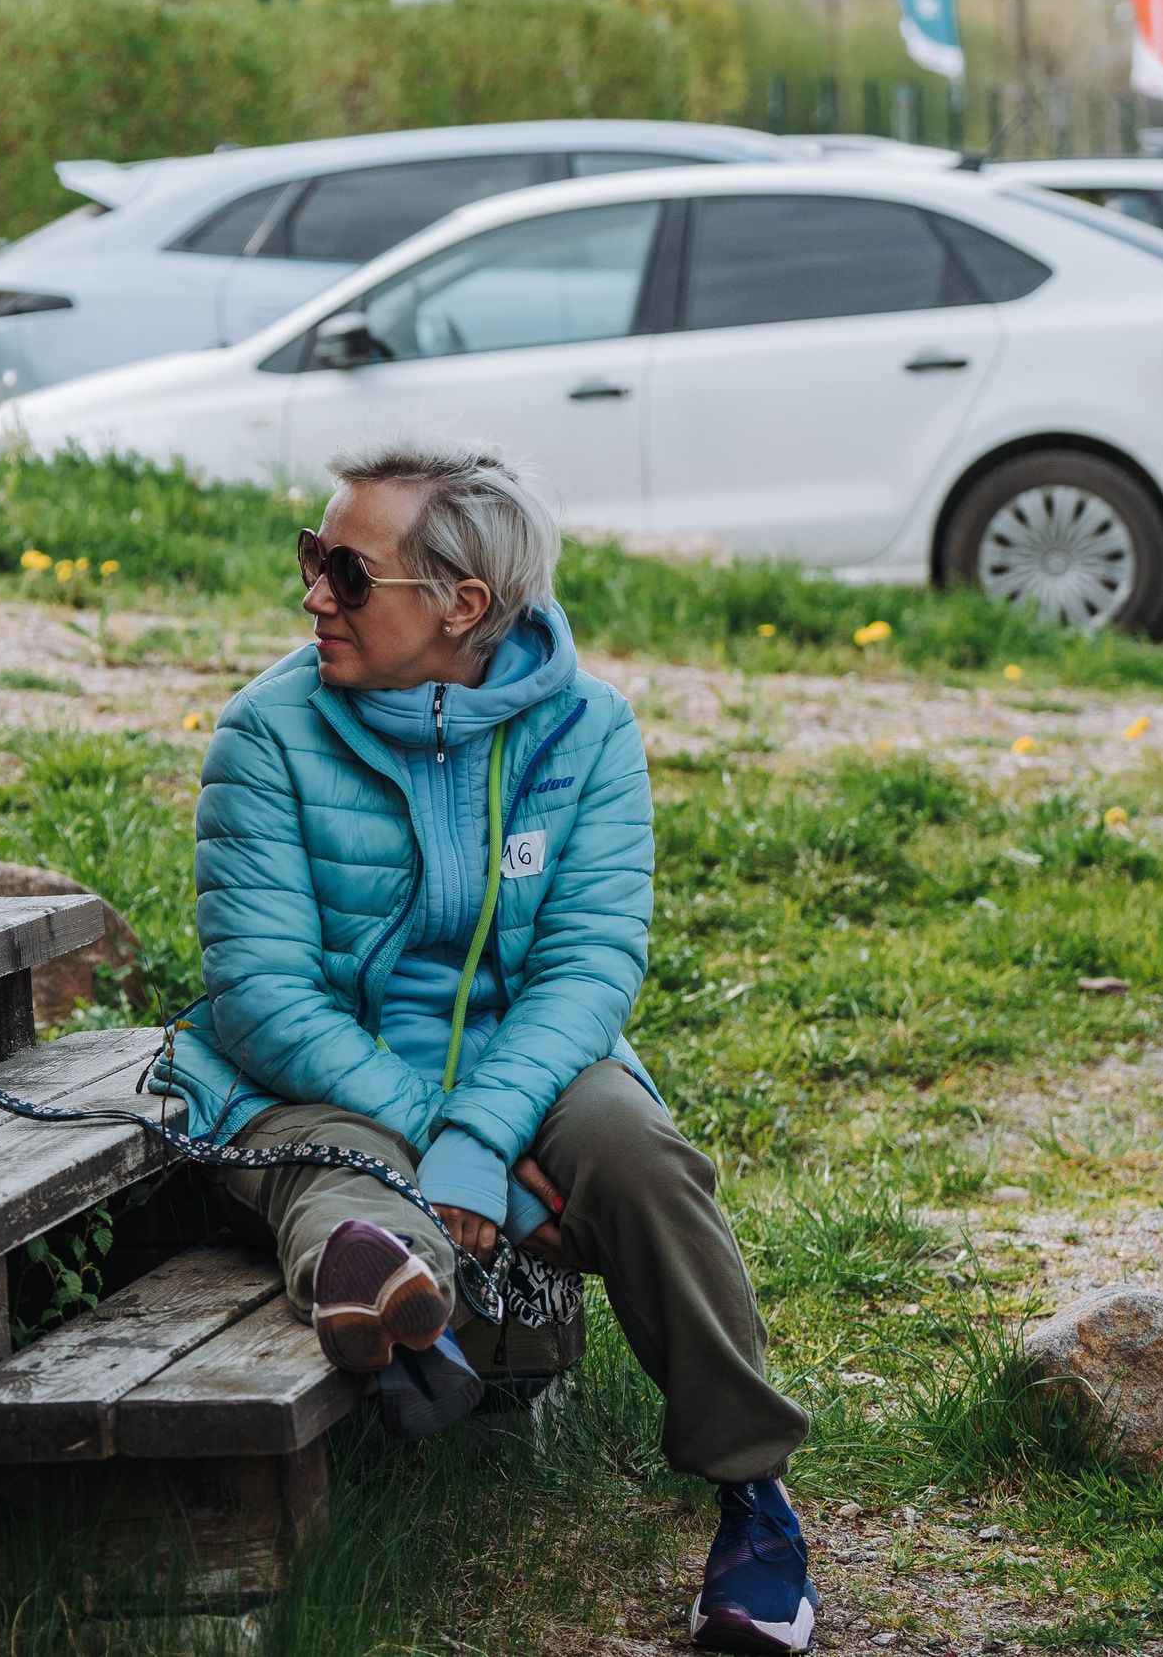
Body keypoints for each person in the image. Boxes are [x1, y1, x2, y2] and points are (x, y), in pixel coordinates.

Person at [150, 435, 819, 1656]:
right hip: (309, 1074)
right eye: (311, 558)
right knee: (336, 1167)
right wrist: (451, 1146)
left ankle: (755, 1502)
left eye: (347, 573)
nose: (310, 593)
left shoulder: (590, 731)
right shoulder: (265, 735)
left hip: (527, 1068)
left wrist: (483, 1136)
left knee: (636, 1150)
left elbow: (589, 970)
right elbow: (261, 998)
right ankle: (393, 1284)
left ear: (463, 606)